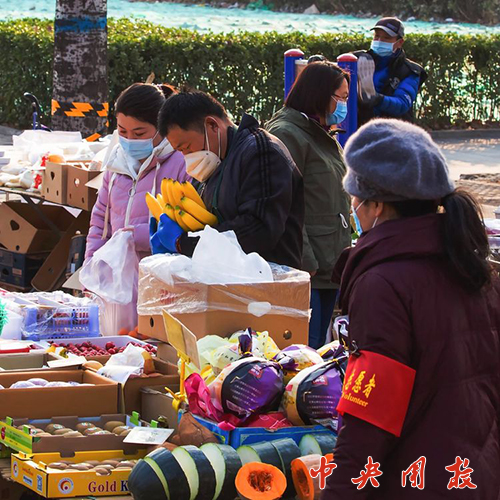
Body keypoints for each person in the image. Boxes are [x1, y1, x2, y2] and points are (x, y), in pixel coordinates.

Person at [323, 119, 500, 499]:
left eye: (354, 196)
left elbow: (368, 421)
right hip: (478, 475)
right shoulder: (475, 268)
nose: (353, 206)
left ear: (376, 204)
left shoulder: (383, 285)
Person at [151, 90, 304, 269]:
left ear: (212, 125)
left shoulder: (261, 151)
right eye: (181, 152)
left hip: (266, 279)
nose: (187, 157)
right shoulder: (212, 166)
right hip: (229, 279)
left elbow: (259, 229)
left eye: (187, 147)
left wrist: (186, 243)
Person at [84, 83, 188, 332]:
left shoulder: (181, 163)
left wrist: (137, 235)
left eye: (139, 133)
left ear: (161, 128)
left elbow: (186, 225)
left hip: (161, 285)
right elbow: (100, 221)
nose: (130, 140)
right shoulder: (116, 164)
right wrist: (91, 269)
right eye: (123, 131)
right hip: (117, 282)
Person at [266, 60, 351, 349]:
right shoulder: (288, 133)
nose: (343, 105)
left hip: (329, 261)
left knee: (320, 346)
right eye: (340, 98)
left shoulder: (322, 131)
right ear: (319, 94)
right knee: (304, 348)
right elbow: (284, 202)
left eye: (346, 98)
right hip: (306, 266)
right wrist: (305, 260)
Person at [354, 17, 427, 126]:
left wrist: (377, 99)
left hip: (393, 130)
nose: (379, 41)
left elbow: (402, 104)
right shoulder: (357, 59)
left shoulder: (410, 71)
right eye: (376, 36)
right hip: (358, 128)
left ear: (400, 42)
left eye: (386, 38)